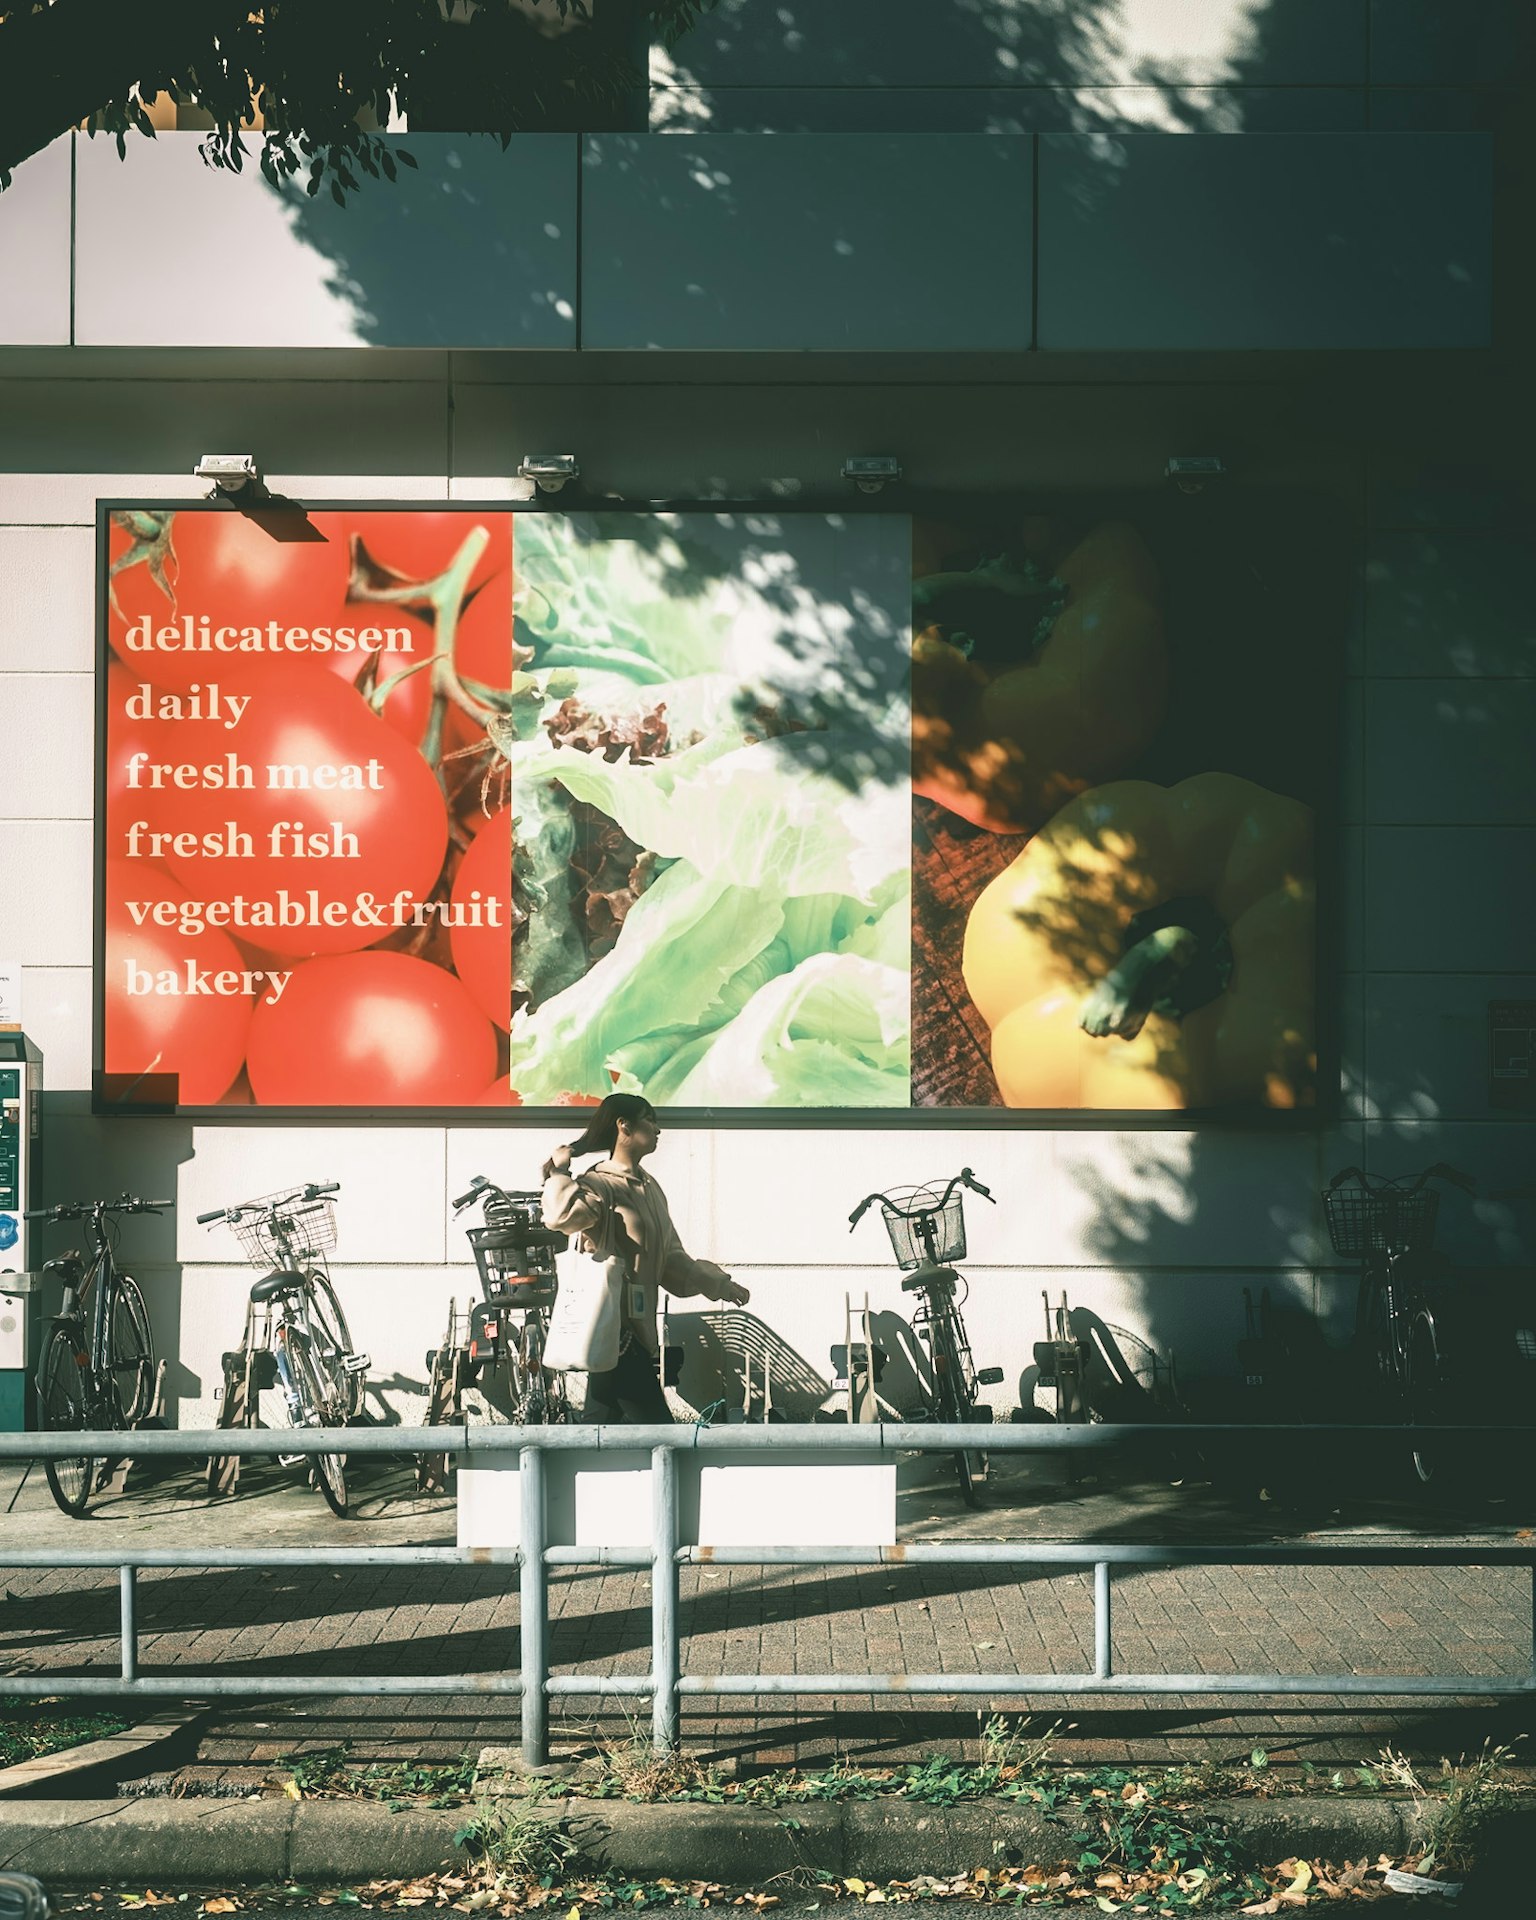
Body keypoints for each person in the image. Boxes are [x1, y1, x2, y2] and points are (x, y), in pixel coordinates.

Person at [541, 1092, 749, 1422]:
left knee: (600, 1423)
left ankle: (571, 1455)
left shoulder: (650, 1188)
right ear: (623, 1125)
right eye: (650, 1120)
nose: (658, 1129)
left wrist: (718, 1284)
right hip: (615, 1327)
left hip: (635, 1330)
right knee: (660, 1433)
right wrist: (560, 1173)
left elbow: (670, 1257)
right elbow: (560, 1217)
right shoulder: (599, 1184)